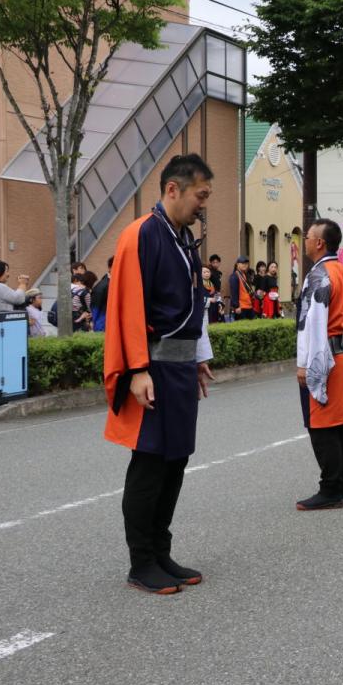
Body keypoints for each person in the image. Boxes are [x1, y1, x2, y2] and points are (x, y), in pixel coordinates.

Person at [104, 153, 216, 595]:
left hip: (180, 366)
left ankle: (161, 550)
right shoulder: (142, 235)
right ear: (173, 189)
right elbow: (129, 305)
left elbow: (195, 306)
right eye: (200, 195)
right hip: (151, 366)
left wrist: (199, 355)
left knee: (176, 461)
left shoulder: (182, 238)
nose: (202, 205)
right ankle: (141, 561)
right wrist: (136, 370)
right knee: (149, 462)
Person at [295, 218, 343, 510]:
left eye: (307, 236)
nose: (304, 240)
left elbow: (314, 324)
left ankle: (331, 488)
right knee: (336, 425)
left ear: (319, 242)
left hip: (325, 358)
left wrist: (306, 365)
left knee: (321, 425)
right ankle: (339, 485)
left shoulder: (319, 274)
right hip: (342, 354)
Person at [228, 256, 254, 321]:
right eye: (243, 263)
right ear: (237, 264)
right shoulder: (234, 276)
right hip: (241, 307)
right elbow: (233, 292)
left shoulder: (245, 275)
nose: (245, 265)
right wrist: (236, 306)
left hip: (249, 305)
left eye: (246, 264)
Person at [90, 257, 112, 332]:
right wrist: (94, 322)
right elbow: (95, 308)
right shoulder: (103, 286)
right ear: (109, 268)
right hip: (103, 322)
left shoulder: (109, 282)